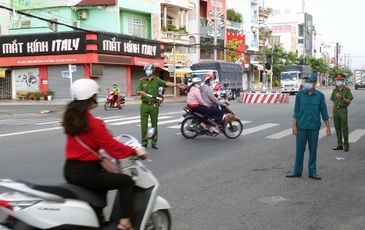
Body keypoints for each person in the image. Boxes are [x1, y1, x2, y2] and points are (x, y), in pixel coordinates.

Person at [62, 78, 148, 230]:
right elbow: (113, 147)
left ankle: (99, 218)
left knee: (101, 185)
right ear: (91, 97)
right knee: (126, 181)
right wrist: (135, 151)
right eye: (95, 95)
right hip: (86, 172)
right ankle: (125, 222)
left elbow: (87, 141)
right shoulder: (93, 123)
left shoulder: (71, 118)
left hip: (70, 169)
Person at [286, 73, 331, 180]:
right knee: (299, 150)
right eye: (306, 81)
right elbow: (296, 111)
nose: (307, 83)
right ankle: (297, 171)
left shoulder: (320, 96)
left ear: (315, 83)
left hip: (314, 128)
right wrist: (294, 126)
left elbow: (324, 112)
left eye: (310, 82)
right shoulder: (300, 95)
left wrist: (328, 127)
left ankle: (312, 172)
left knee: (313, 151)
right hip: (301, 127)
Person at [136, 63, 186, 149]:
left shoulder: (157, 80)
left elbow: (167, 83)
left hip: (154, 105)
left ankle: (154, 142)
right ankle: (144, 142)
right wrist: (141, 92)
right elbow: (137, 91)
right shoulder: (142, 81)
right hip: (144, 105)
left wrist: (177, 85)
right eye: (146, 70)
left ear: (152, 71)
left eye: (149, 70)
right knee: (143, 125)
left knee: (154, 125)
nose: (147, 71)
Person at [330, 74, 353, 152]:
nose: (338, 82)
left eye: (340, 80)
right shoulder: (334, 90)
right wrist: (332, 112)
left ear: (343, 81)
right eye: (337, 80)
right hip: (336, 110)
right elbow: (333, 102)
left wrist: (342, 98)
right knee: (337, 128)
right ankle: (339, 145)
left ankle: (346, 145)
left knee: (344, 128)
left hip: (343, 110)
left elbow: (349, 101)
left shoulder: (347, 90)